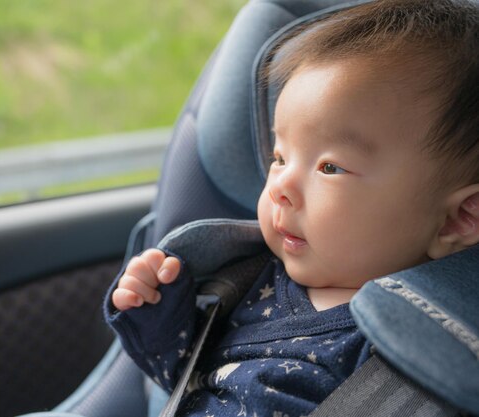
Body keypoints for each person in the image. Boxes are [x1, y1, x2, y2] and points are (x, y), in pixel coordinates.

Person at [104, 0, 479, 415]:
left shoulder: (420, 352)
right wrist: (157, 311)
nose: (280, 186)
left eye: (330, 167)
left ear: (459, 219)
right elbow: (180, 378)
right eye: (279, 157)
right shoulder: (251, 279)